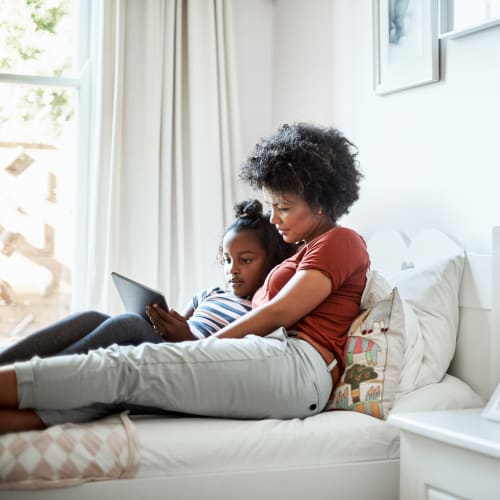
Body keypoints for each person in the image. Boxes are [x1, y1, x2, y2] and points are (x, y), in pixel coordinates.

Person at [0, 122, 370, 435]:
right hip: (273, 359)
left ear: (321, 200)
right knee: (112, 393)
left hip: (298, 366)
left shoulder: (341, 241)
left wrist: (201, 347)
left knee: (124, 366)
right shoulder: (301, 253)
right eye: (272, 206)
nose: (274, 217)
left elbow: (279, 313)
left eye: (284, 207)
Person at [0, 199, 294, 363]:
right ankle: (6, 364)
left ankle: (35, 375)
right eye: (228, 260)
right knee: (91, 316)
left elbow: (229, 358)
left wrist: (188, 338)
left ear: (272, 262)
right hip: (164, 347)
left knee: (128, 323)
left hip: (192, 361)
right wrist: (163, 322)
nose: (232, 270)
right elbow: (175, 323)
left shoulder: (259, 312)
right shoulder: (211, 294)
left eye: (245, 261)